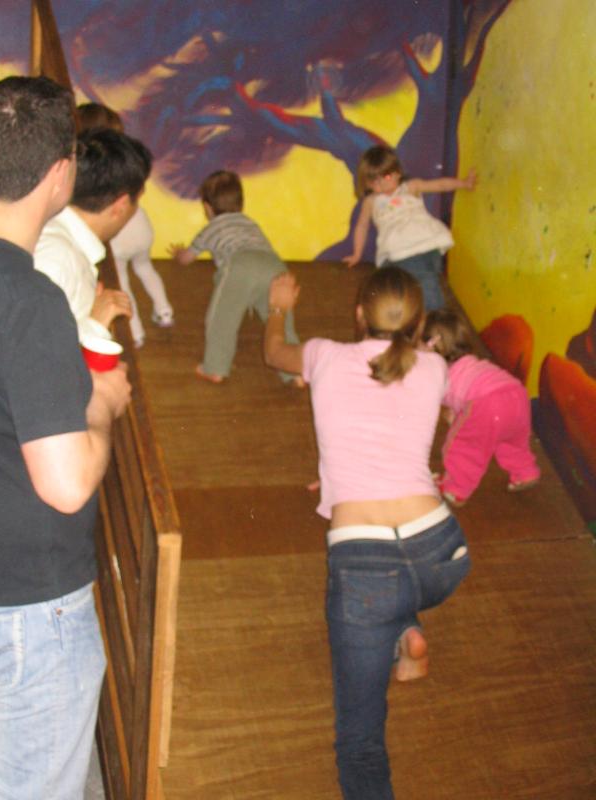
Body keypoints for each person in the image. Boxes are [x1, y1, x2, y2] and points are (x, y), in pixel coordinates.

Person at [264, 266, 471, 799]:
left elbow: (273, 353)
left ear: (359, 314)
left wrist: (279, 307)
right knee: (394, 592)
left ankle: (398, 628)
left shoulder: (323, 355)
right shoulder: (434, 366)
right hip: (443, 554)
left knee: (360, 744)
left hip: (367, 571)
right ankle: (405, 633)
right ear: (419, 324)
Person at [0, 75, 131, 800]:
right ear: (60, 174)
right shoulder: (29, 299)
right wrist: (102, 405)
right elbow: (68, 484)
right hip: (27, 610)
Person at [170, 169, 301, 384]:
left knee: (223, 317)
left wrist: (178, 254)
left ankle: (215, 367)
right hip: (275, 266)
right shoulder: (250, 223)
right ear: (240, 204)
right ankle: (294, 371)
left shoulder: (211, 229)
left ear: (207, 208)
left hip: (241, 264)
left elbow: (187, 258)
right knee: (280, 318)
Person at [34, 126, 152, 344]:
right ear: (121, 205)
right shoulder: (57, 258)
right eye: (137, 200)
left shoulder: (58, 240)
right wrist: (94, 325)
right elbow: (27, 350)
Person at [77, 102, 174, 347]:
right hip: (141, 226)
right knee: (145, 268)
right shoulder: (126, 161)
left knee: (121, 284)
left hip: (119, 236)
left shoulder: (92, 169)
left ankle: (135, 333)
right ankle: (164, 310)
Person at [423, 308, 541, 506]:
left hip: (487, 403)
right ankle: (526, 472)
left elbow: (445, 398)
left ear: (432, 344)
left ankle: (456, 489)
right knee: (512, 441)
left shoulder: (439, 372)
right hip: (516, 394)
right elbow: (465, 392)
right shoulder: (471, 362)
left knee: (463, 446)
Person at [344, 144, 477, 310]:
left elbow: (440, 185)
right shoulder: (371, 201)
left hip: (421, 242)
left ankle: (435, 317)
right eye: (374, 181)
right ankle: (412, 315)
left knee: (425, 284)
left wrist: (464, 183)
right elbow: (362, 226)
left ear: (398, 173)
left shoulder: (411, 187)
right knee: (395, 285)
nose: (382, 184)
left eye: (386, 177)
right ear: (367, 183)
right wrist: (357, 254)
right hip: (394, 251)